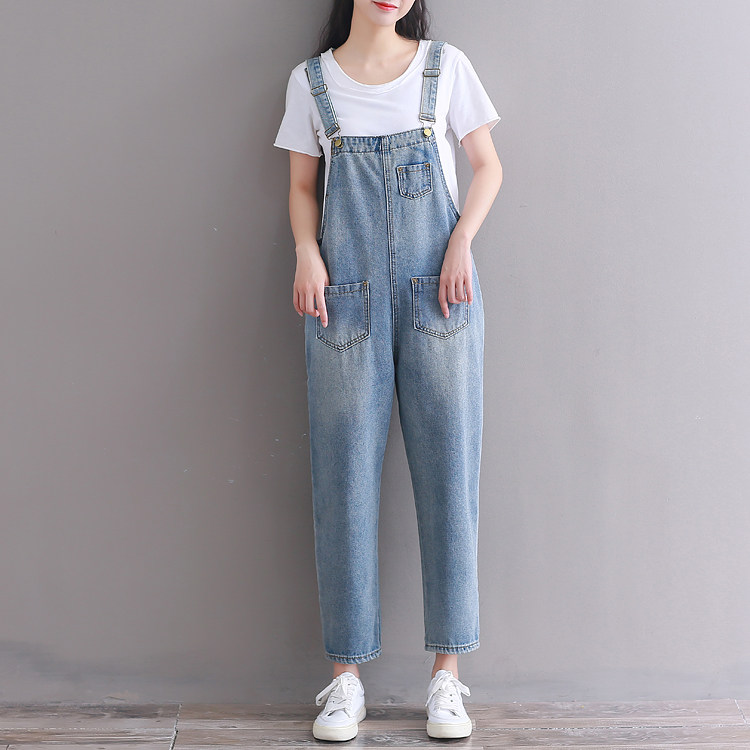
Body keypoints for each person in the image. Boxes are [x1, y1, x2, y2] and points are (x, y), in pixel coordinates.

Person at [273, 0, 502, 741]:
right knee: (342, 481)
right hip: (342, 301)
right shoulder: (311, 83)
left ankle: (447, 677)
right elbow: (301, 187)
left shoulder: (445, 68)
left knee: (450, 477)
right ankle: (346, 680)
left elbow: (489, 166)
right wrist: (306, 253)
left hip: (442, 295)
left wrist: (461, 239)